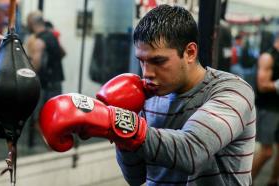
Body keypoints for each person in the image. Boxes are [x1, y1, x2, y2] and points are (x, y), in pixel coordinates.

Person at [39, 5, 256, 185]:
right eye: (141, 61)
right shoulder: (148, 94)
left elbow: (192, 151)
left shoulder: (232, 91)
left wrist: (117, 122)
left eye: (158, 61)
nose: (147, 73)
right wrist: (117, 131)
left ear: (190, 52)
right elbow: (135, 177)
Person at [25, 11, 65, 147]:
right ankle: (55, 143)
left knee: (38, 118)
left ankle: (50, 144)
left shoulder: (38, 41)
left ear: (31, 24)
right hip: (56, 81)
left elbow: (35, 65)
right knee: (54, 115)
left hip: (44, 84)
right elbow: (62, 53)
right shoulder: (52, 36)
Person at [252, 34, 279, 186]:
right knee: (267, 152)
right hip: (269, 109)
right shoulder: (268, 57)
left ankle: (273, 181)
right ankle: (244, 182)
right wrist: (276, 85)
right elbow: (262, 85)